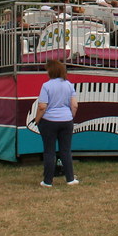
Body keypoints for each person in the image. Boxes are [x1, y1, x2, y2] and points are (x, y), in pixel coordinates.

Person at [36, 59, 79, 187]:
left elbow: (42, 106)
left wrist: (37, 119)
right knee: (65, 150)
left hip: (49, 121)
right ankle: (70, 179)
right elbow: (74, 105)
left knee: (49, 151)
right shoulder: (69, 85)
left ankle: (48, 181)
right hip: (66, 120)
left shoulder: (46, 86)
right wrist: (71, 117)